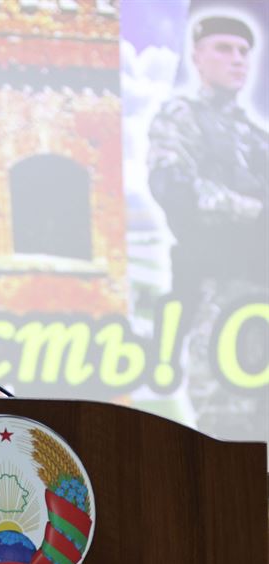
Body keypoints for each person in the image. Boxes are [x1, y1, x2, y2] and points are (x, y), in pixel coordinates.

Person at [147, 15, 268, 437]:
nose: (237, 59)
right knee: (227, 428)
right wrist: (254, 211)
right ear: (197, 56)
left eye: (244, 51)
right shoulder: (181, 117)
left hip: (260, 291)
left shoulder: (257, 136)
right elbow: (174, 186)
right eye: (224, 48)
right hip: (217, 294)